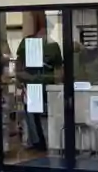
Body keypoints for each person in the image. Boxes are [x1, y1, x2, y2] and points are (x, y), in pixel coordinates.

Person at [14, 13, 62, 151]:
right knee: (32, 114)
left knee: (50, 114)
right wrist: (21, 78)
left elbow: (59, 69)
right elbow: (19, 65)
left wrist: (58, 83)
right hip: (33, 84)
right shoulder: (27, 43)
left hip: (49, 86)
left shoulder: (53, 46)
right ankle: (38, 143)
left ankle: (50, 142)